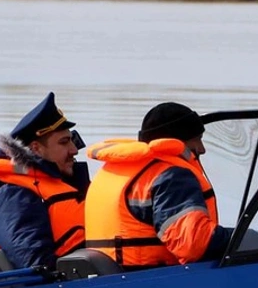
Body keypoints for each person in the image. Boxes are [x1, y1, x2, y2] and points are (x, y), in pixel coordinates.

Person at [85, 101, 222, 267]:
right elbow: (193, 244)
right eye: (197, 139)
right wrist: (250, 240)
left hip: (112, 280)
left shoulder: (111, 172)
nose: (202, 149)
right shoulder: (171, 176)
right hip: (154, 283)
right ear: (177, 141)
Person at [0, 92, 87, 271]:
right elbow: (35, 265)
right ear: (36, 149)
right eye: (64, 142)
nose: (74, 149)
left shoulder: (52, 182)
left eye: (72, 141)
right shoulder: (11, 193)